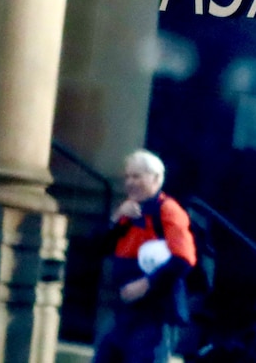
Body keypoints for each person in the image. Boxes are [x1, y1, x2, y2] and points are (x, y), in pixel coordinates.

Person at [94, 149, 197, 363]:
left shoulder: (168, 210)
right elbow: (99, 245)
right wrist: (116, 217)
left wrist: (146, 284)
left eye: (137, 176)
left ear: (156, 178)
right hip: (123, 310)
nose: (130, 182)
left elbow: (184, 259)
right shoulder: (129, 211)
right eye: (127, 177)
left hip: (154, 313)